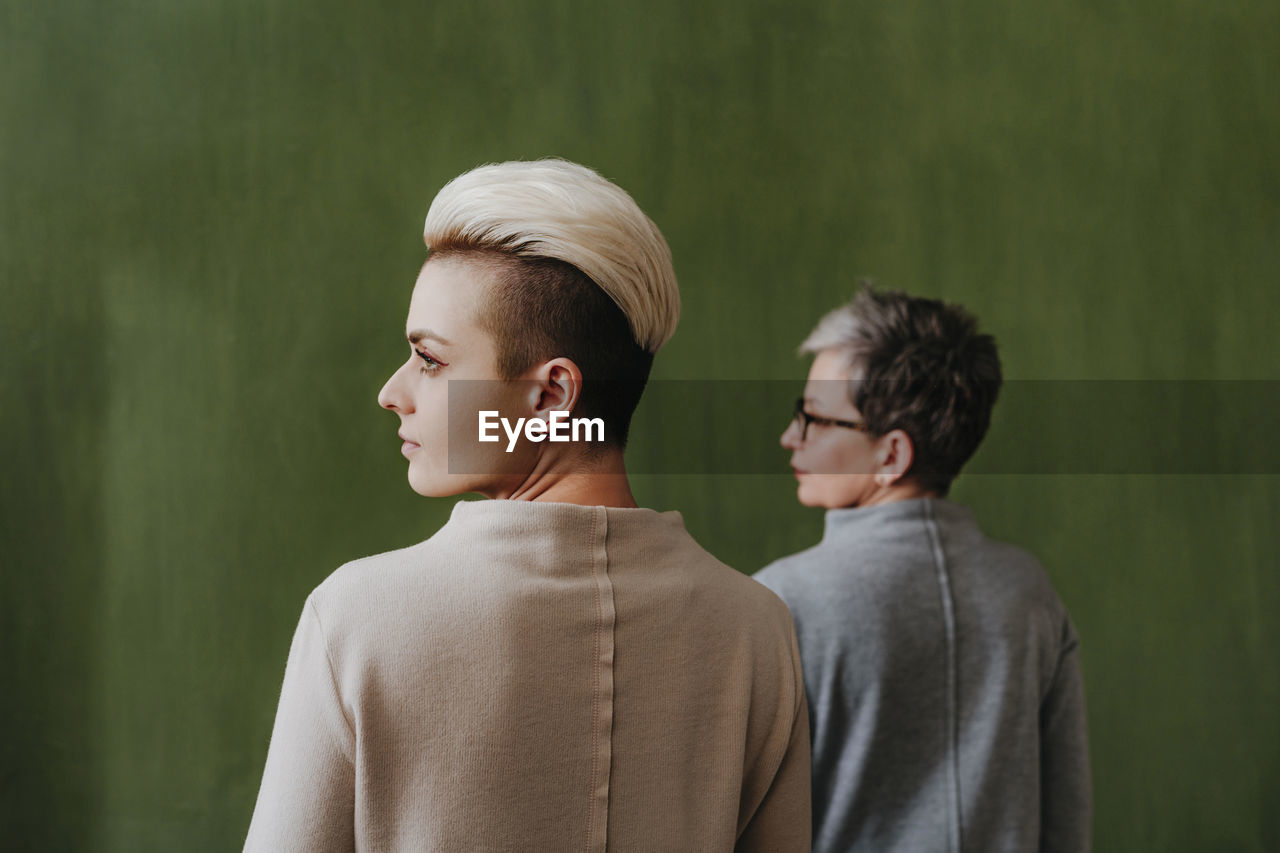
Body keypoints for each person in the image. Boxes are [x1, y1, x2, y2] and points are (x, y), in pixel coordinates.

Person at [244, 159, 810, 852]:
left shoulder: (355, 620)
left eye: (429, 359)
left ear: (550, 395)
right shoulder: (756, 629)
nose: (393, 391)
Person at [755, 286, 1091, 852]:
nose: (791, 437)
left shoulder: (781, 601)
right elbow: (1066, 820)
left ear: (892, 456)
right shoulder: (1028, 592)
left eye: (813, 418)